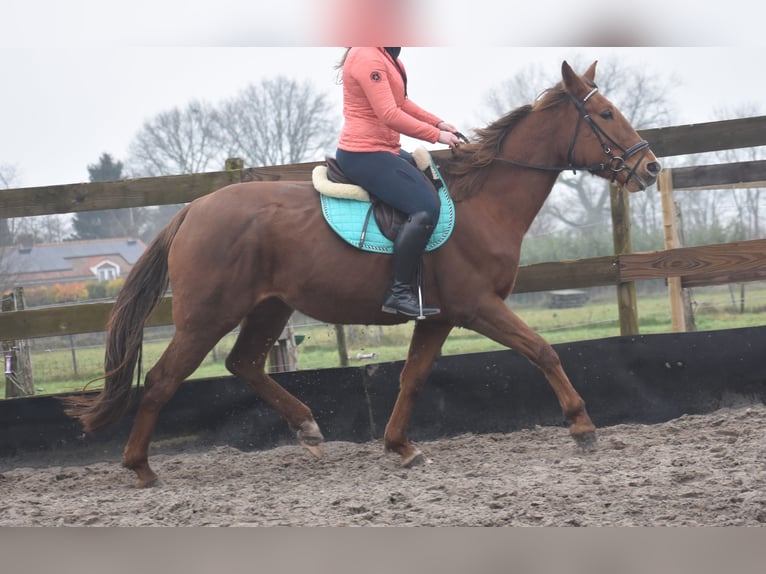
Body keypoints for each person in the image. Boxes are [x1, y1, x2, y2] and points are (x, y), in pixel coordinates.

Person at [334, 47, 462, 318]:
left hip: (384, 148)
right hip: (363, 153)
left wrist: (439, 123)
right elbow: (389, 115)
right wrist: (435, 135)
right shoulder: (367, 57)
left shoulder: (391, 60)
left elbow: (402, 103)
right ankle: (399, 293)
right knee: (425, 207)